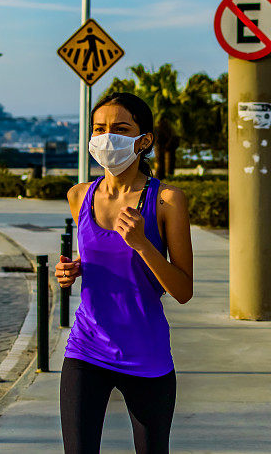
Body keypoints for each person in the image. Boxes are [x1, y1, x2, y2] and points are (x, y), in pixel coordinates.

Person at [56, 91, 194, 454]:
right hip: (86, 348)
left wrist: (142, 243)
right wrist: (74, 270)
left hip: (145, 354)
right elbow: (101, 258)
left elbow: (182, 290)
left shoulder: (166, 200)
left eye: (120, 128)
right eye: (99, 128)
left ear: (143, 140)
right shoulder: (79, 195)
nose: (106, 137)